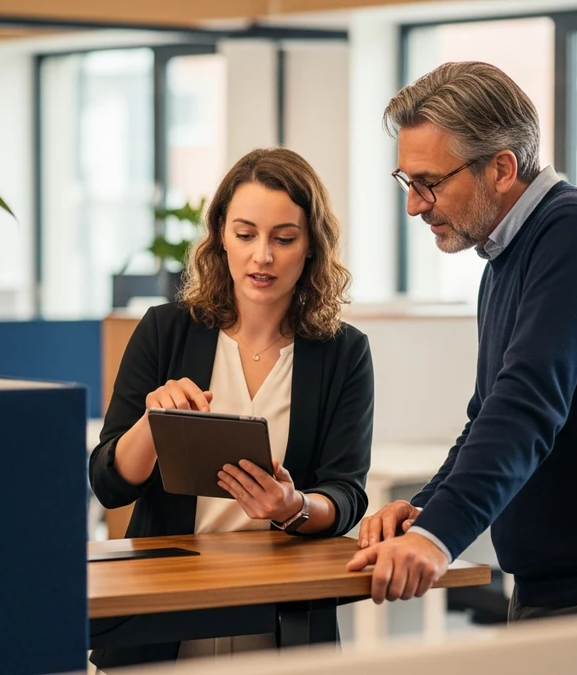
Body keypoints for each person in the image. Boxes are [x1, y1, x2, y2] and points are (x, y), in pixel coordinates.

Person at [347, 61, 577, 623]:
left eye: (429, 183)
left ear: (501, 168)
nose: (415, 204)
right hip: (559, 584)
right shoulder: (504, 256)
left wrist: (438, 538)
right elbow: (488, 414)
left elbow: (527, 403)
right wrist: (425, 511)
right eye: (407, 182)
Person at [89, 148, 374, 667]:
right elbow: (109, 484)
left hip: (281, 612)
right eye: (245, 234)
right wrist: (152, 425)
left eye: (283, 239)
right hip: (165, 612)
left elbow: (346, 494)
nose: (262, 256)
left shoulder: (343, 352)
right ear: (221, 234)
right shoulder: (165, 331)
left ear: (311, 245)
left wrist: (294, 507)